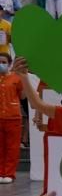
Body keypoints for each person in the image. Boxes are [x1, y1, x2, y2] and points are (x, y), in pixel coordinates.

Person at [0, 52, 22, 183]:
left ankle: (9, 173)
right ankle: (0, 172)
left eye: (4, 62)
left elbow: (23, 95)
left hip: (13, 117)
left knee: (12, 147)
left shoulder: (16, 78)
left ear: (9, 64)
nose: (1, 64)